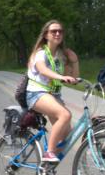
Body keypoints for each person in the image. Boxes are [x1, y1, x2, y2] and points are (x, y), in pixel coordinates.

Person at [25, 20, 80, 164]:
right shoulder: (40, 53)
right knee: (65, 115)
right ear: (46, 35)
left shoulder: (61, 56)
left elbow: (73, 78)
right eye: (53, 31)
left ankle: (46, 167)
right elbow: (43, 69)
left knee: (68, 138)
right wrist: (61, 77)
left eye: (60, 31)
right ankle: (49, 152)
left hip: (54, 95)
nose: (57, 33)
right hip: (36, 94)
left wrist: (74, 61)